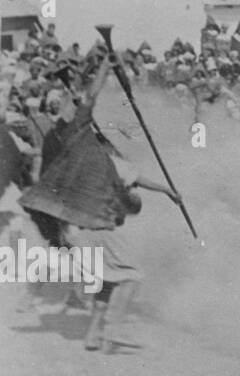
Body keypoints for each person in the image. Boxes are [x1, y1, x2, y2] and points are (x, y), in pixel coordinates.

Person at [19, 53, 181, 351]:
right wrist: (105, 66)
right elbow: (90, 97)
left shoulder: (66, 143)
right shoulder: (94, 149)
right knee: (131, 276)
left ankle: (93, 335)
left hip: (78, 230)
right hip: (100, 227)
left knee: (106, 283)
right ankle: (111, 332)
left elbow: (84, 102)